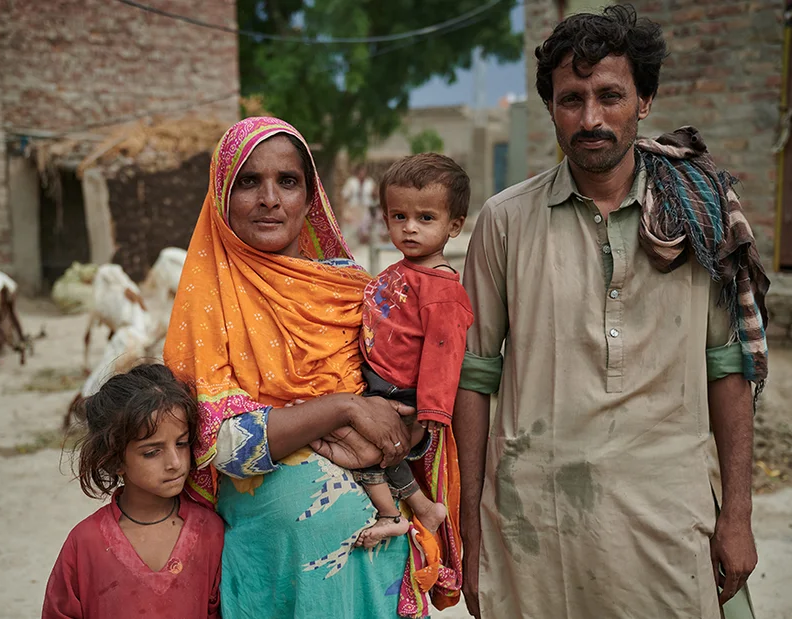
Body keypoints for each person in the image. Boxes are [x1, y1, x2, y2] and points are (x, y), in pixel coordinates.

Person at [453, 6, 768, 619]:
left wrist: (737, 514)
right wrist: (470, 529)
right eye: (571, 99)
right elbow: (474, 376)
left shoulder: (695, 218)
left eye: (610, 95)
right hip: (531, 525)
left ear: (644, 100)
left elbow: (727, 368)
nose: (590, 118)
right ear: (551, 108)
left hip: (668, 523)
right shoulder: (505, 222)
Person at [163, 117, 462, 619]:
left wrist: (404, 428)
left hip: (378, 569)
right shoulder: (206, 303)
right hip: (281, 571)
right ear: (220, 194)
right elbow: (224, 448)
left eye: (287, 181)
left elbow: (410, 409)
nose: (270, 199)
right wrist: (342, 408)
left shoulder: (355, 291)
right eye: (248, 181)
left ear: (311, 195)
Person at [352, 153, 474, 547]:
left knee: (372, 450)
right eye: (398, 216)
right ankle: (413, 510)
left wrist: (428, 416)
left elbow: (444, 356)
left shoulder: (441, 291)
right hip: (376, 386)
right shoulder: (399, 270)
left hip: (400, 396)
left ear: (454, 225)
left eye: (426, 218)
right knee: (365, 447)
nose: (409, 229)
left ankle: (406, 512)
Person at [42, 363, 224, 619]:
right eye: (152, 452)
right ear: (115, 460)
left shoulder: (210, 533)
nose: (175, 462)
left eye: (182, 444)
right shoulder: (85, 543)